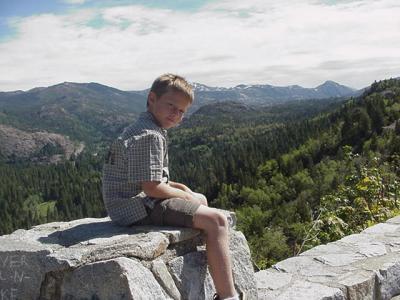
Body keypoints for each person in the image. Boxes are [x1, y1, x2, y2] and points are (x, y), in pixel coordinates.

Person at [102, 74, 242, 300]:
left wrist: (186, 191)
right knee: (217, 221)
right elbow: (152, 188)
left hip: (133, 202)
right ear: (152, 98)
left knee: (201, 199)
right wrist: (188, 198)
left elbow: (152, 180)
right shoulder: (149, 136)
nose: (175, 114)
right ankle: (228, 296)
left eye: (181, 111)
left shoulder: (145, 127)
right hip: (135, 208)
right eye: (171, 106)